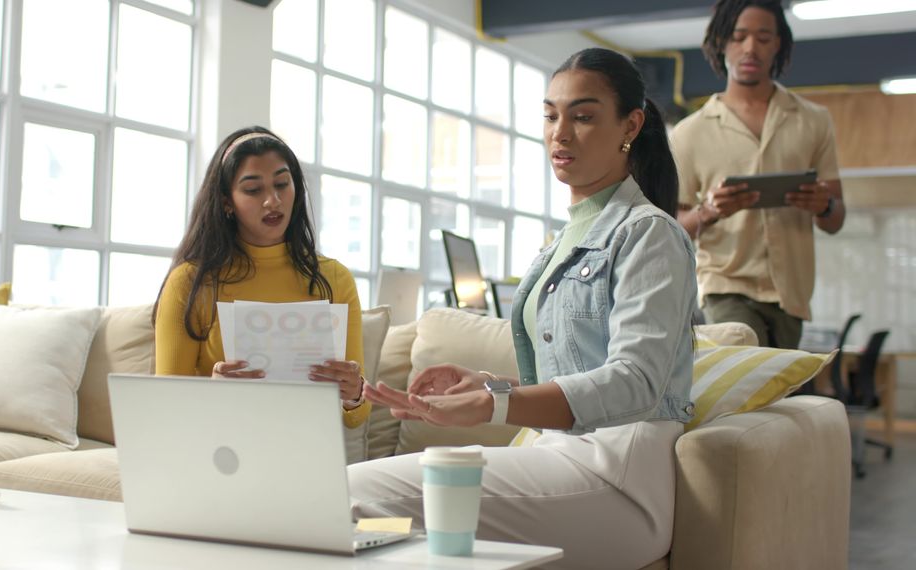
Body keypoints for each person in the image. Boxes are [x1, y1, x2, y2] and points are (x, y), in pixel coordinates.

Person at [348, 48, 698, 569]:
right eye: (550, 115)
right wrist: (489, 385)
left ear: (631, 124)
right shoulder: (566, 238)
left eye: (582, 116)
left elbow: (636, 382)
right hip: (554, 459)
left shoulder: (649, 233)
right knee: (370, 525)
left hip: (614, 481)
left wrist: (496, 405)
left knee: (347, 496)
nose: (560, 133)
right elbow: (575, 371)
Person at [153, 126, 371, 428]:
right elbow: (165, 408)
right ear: (227, 202)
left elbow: (356, 418)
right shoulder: (190, 282)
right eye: (254, 190)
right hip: (219, 449)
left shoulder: (334, 278)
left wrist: (354, 393)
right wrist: (211, 393)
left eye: (282, 184)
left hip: (305, 448)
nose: (273, 200)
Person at [670, 0, 846, 349]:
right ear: (722, 42)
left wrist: (823, 205)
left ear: (778, 43)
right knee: (745, 390)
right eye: (739, 36)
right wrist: (710, 211)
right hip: (726, 288)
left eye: (764, 37)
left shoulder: (813, 120)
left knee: (777, 399)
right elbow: (672, 230)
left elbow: (836, 218)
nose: (751, 47)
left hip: (791, 296)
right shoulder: (689, 133)